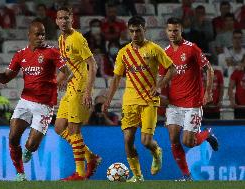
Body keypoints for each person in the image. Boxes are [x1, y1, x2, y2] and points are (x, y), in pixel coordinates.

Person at [0, 19, 70, 181]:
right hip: (25, 102)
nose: (41, 37)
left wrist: (55, 82)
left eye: (43, 34)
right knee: (13, 137)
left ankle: (29, 149)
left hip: (45, 105)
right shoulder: (21, 54)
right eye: (38, 34)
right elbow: (5, 79)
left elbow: (65, 70)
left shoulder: (52, 52)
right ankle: (20, 174)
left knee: (31, 145)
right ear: (29, 35)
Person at [102, 16, 176, 182]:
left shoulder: (154, 49)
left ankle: (156, 152)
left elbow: (172, 68)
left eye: (138, 30)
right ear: (129, 31)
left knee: (145, 141)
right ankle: (137, 176)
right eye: (132, 31)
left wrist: (159, 85)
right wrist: (108, 100)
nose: (135, 34)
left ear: (145, 30)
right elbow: (115, 79)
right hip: (129, 101)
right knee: (128, 140)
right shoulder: (123, 52)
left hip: (149, 101)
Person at [159, 17, 219, 181]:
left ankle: (206, 134)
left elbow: (209, 69)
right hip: (173, 103)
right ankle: (186, 176)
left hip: (192, 102)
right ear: (166, 31)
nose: (173, 33)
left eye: (176, 30)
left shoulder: (192, 49)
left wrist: (208, 92)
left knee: (188, 142)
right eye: (170, 30)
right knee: (172, 138)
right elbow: (162, 78)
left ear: (181, 30)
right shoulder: (165, 53)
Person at [54, 6, 101, 181]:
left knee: (74, 129)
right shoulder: (60, 40)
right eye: (60, 18)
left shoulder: (78, 38)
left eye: (66, 18)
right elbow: (68, 68)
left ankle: (80, 173)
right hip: (72, 85)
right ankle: (90, 157)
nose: (63, 21)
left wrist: (88, 92)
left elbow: (93, 65)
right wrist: (55, 83)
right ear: (56, 20)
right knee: (59, 127)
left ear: (72, 19)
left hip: (81, 87)